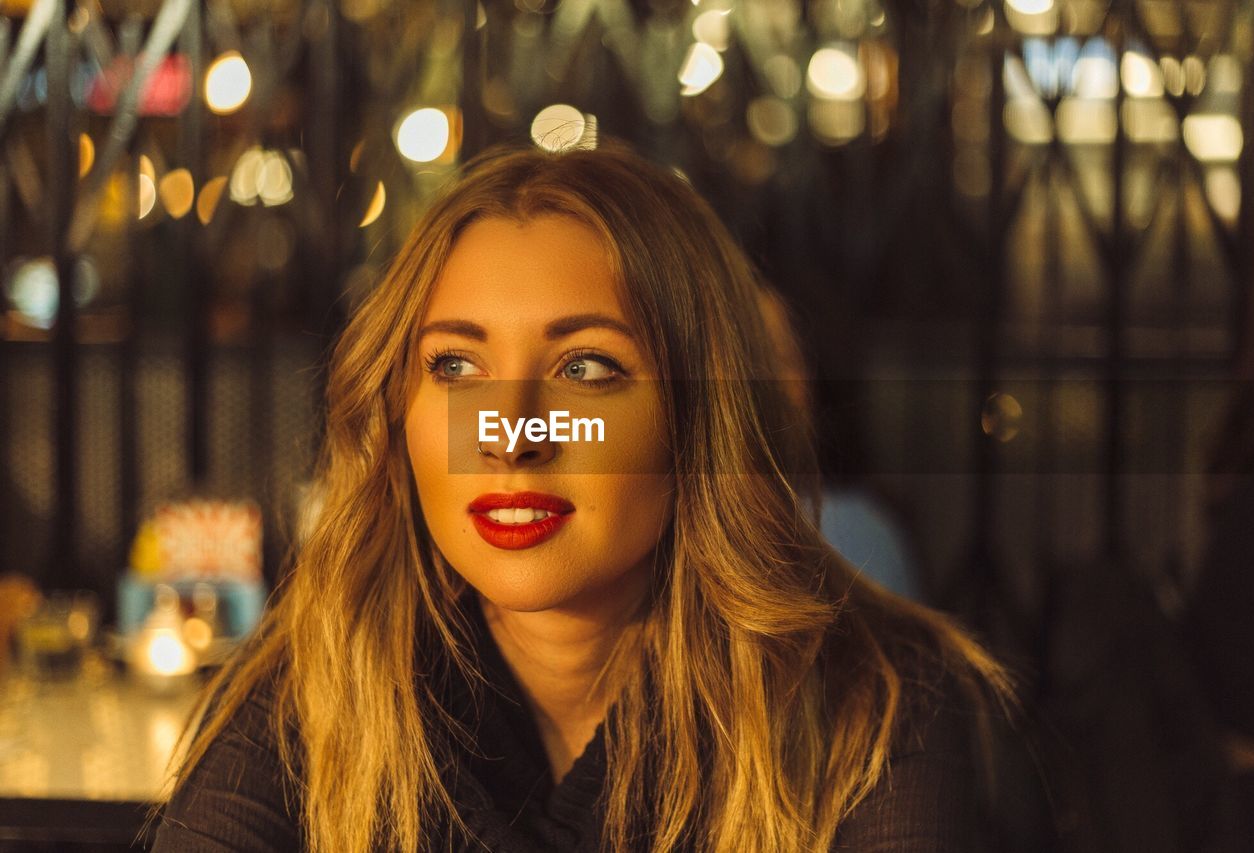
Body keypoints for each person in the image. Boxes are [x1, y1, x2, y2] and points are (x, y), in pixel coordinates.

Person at [151, 139, 1013, 852]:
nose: (511, 434)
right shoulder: (326, 675)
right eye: (456, 366)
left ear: (697, 415)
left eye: (585, 368)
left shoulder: (882, 705)